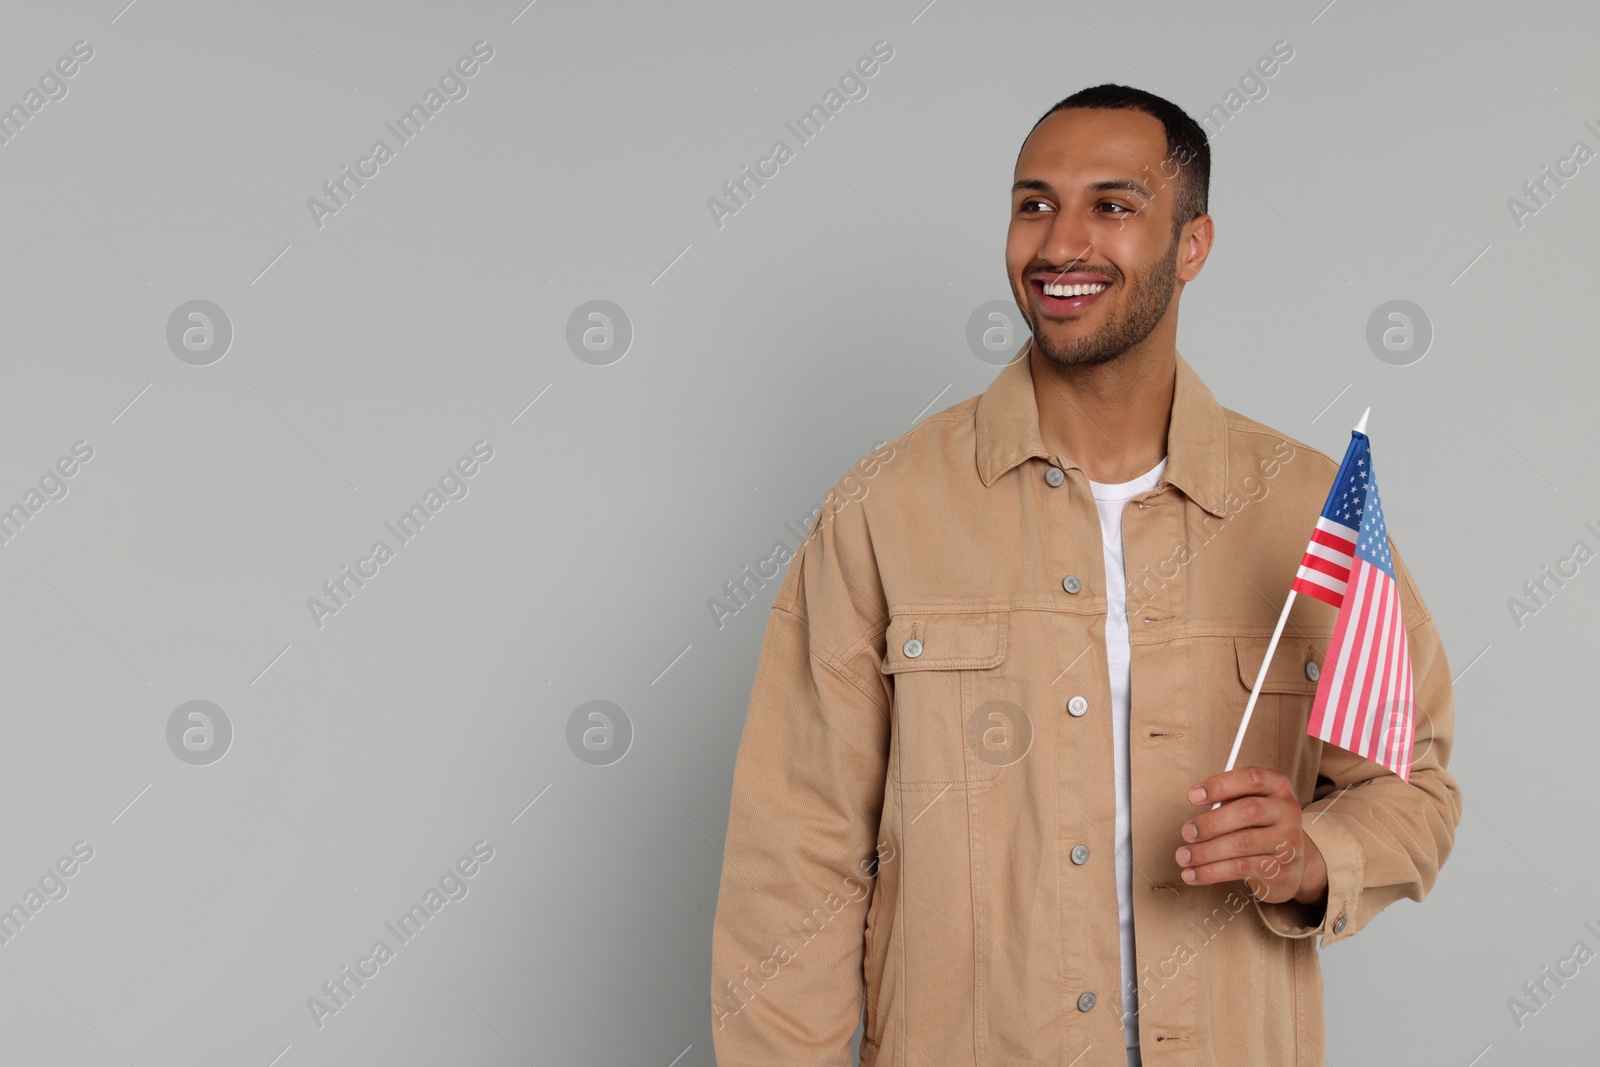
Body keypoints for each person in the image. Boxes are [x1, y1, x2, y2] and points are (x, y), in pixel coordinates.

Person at [709, 83, 1461, 1067]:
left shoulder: (1306, 505)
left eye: (1112, 205)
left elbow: (1411, 788)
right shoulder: (881, 510)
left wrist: (1316, 854)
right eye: (1033, 204)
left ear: (1192, 245)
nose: (1060, 242)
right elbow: (794, 864)